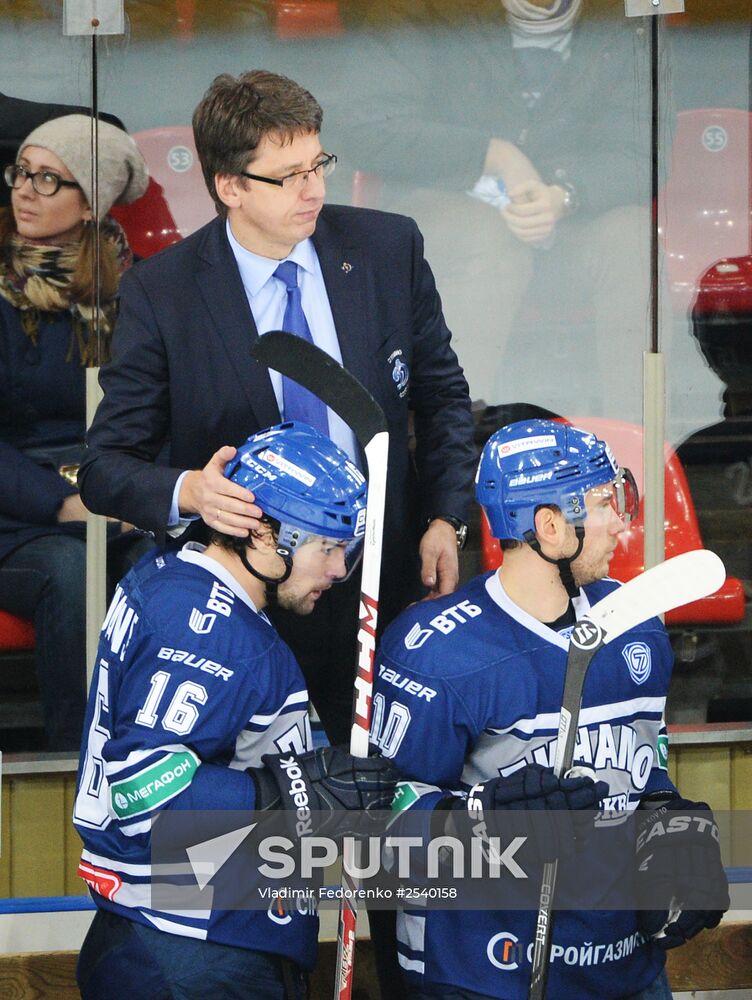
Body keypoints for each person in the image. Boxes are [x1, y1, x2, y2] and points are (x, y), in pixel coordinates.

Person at [77, 69, 476, 748]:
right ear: (230, 187)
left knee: (390, 807)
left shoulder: (387, 251)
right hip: (246, 600)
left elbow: (442, 398)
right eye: (288, 175)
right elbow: (106, 467)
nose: (314, 188)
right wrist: (190, 491)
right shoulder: (162, 294)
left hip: (379, 578)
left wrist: (446, 517)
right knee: (269, 830)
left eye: (318, 164)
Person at [371, 419, 729, 999]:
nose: (621, 520)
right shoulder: (435, 651)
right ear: (550, 525)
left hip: (624, 973)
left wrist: (665, 814)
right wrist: (480, 827)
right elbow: (373, 831)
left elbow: (645, 761)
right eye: (604, 501)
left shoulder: (634, 619)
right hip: (484, 978)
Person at [73, 421, 400, 1000]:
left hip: (177, 939)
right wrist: (292, 792)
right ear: (262, 534)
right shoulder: (210, 629)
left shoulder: (175, 578)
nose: (336, 571)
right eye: (325, 548)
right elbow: (145, 796)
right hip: (190, 951)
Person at [336, 0, 657, 419]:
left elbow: (646, 148)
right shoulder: (423, 8)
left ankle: (634, 459)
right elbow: (366, 125)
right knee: (486, 241)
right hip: (447, 210)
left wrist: (565, 194)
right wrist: (489, 154)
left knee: (634, 241)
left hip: (566, 219)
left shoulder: (623, 14)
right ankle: (452, 453)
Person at [0, 114, 150, 749]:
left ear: (92, 205)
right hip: (17, 507)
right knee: (69, 569)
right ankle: (78, 766)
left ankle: (161, 760)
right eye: (20, 173)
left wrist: (140, 496)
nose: (23, 191)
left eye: (48, 179)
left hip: (109, 489)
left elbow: (158, 412)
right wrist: (59, 502)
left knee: (167, 566)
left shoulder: (138, 292)